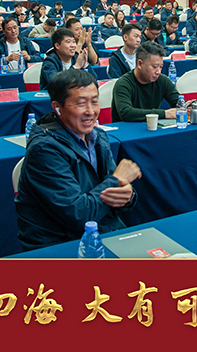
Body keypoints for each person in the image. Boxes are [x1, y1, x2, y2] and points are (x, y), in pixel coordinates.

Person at [15, 69, 140, 250]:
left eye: (94, 102)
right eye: (81, 103)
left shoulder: (98, 136)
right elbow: (78, 215)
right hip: (59, 244)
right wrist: (116, 180)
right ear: (57, 107)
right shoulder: (44, 150)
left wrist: (128, 195)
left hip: (102, 231)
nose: (90, 111)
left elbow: (115, 188)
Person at [111, 41, 179, 122]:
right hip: (126, 128)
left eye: (161, 67)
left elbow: (178, 102)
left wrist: (187, 106)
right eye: (154, 67)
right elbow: (126, 112)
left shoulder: (162, 81)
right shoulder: (123, 84)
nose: (158, 72)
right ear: (140, 64)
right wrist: (164, 114)